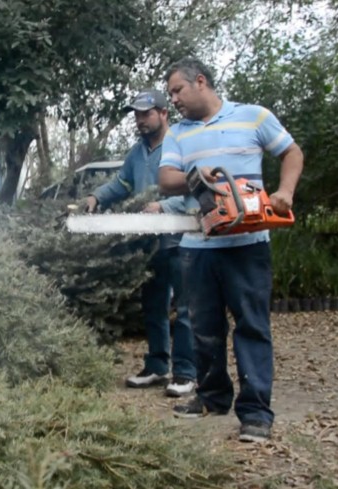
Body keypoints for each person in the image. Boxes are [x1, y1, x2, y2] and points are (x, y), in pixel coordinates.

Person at [159, 58, 303, 443]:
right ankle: (211, 396)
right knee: (204, 329)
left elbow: (292, 153)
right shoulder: (178, 134)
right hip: (198, 245)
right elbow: (166, 179)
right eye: (170, 93)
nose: (173, 99)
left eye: (177, 90)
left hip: (248, 243)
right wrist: (195, 176)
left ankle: (256, 412)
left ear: (200, 82)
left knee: (252, 326)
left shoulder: (254, 117)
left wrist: (284, 192)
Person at [86, 89, 196, 397]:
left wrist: (164, 206)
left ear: (164, 114)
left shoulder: (181, 146)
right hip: (149, 241)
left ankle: (186, 372)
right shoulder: (137, 153)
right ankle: (158, 366)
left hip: (181, 237)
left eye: (146, 113)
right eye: (136, 114)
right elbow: (121, 184)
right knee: (153, 304)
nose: (140, 120)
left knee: (186, 307)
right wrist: (97, 196)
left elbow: (195, 188)